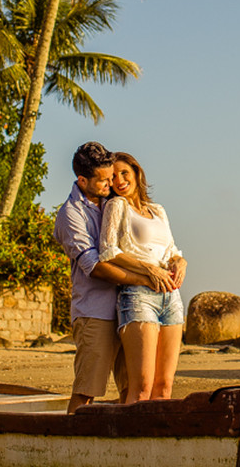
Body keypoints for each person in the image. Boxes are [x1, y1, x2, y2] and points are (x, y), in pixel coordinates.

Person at [53, 142, 152, 414]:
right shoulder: (70, 215)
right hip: (95, 312)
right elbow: (94, 266)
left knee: (131, 388)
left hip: (127, 307)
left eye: (112, 177)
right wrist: (142, 279)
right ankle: (70, 445)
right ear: (82, 180)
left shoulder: (112, 201)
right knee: (87, 389)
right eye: (104, 180)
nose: (111, 183)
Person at [98, 152, 187, 403]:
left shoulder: (157, 210)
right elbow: (108, 251)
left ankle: (155, 440)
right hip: (138, 296)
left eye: (124, 173)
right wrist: (149, 269)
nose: (120, 180)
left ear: (136, 173)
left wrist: (181, 262)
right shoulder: (117, 206)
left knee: (165, 385)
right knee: (142, 386)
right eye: (113, 177)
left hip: (171, 296)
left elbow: (171, 250)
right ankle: (129, 440)